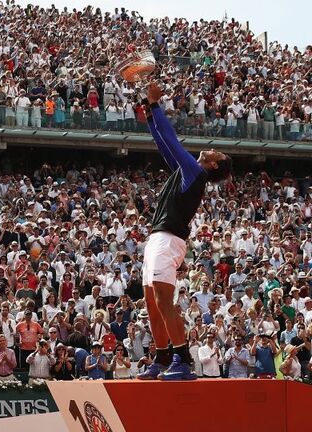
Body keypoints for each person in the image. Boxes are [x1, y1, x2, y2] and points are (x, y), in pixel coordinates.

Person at [138, 82, 232, 381]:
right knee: (152, 305)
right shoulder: (187, 171)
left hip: (167, 239)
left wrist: (155, 105)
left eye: (216, 151)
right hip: (158, 238)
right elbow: (164, 143)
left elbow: (172, 140)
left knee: (163, 301)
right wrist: (149, 113)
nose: (212, 148)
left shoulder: (195, 171)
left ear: (214, 164)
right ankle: (162, 358)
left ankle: (182, 361)